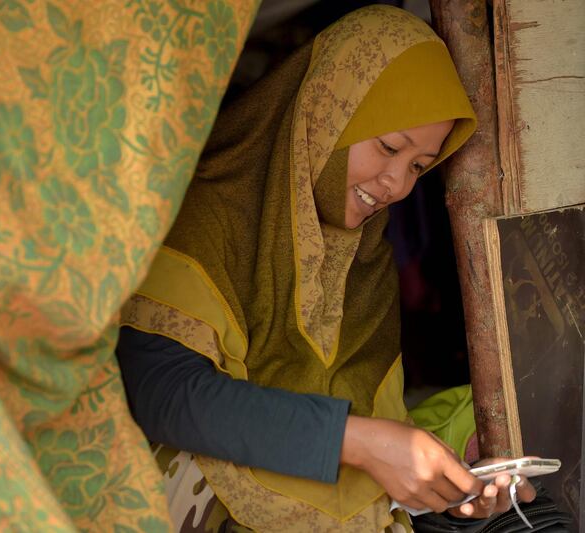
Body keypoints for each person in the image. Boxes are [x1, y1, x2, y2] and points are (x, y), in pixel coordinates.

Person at [117, 5, 536, 531]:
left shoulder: (362, 258)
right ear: (326, 110)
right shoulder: (207, 211)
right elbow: (160, 393)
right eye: (387, 146)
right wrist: (357, 443)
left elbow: (374, 421)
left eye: (417, 167)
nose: (396, 185)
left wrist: (447, 485)